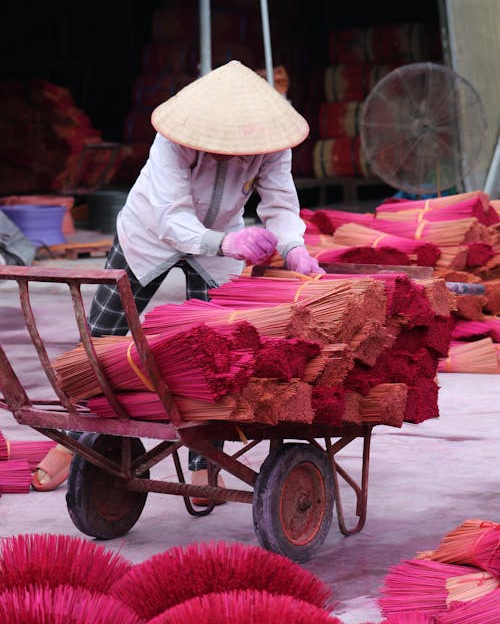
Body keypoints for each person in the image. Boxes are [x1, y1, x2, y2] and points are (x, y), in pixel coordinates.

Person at [32, 60, 322, 496]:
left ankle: (205, 458)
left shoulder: (272, 143)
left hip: (222, 243)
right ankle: (76, 437)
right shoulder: (175, 139)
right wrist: (228, 244)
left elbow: (280, 204)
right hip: (150, 235)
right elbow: (172, 219)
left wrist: (293, 248)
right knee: (100, 339)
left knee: (216, 352)